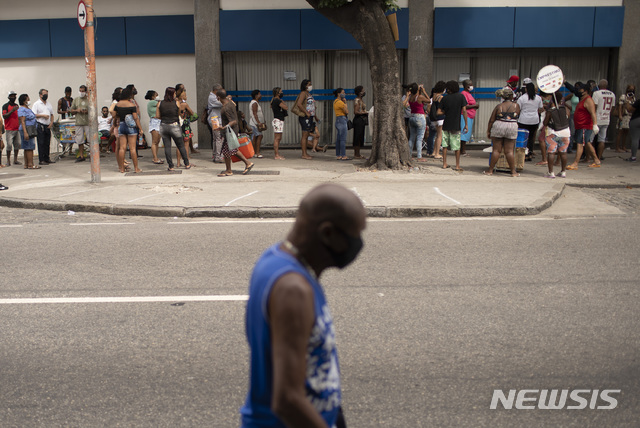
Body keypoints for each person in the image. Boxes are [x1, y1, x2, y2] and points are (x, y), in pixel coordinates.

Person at [240, 183, 365, 428]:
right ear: (327, 233)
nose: (357, 246)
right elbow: (287, 400)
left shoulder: (275, 258)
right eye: (353, 237)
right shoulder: (293, 289)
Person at [216, 88, 254, 177]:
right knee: (228, 150)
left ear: (218, 97)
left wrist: (223, 127)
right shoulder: (230, 102)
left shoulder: (226, 108)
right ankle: (229, 170)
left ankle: (247, 163)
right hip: (231, 130)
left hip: (230, 131)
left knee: (232, 149)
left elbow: (233, 121)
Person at [484, 87, 521, 177]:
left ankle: (490, 170)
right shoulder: (516, 106)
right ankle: (513, 172)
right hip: (512, 126)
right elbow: (517, 116)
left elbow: (491, 120)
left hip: (499, 126)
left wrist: (488, 131)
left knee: (496, 150)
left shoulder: (499, 106)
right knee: (509, 151)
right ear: (512, 96)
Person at [156, 87, 191, 171]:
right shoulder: (176, 103)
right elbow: (179, 113)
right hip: (174, 125)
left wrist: (164, 118)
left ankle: (171, 166)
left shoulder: (160, 103)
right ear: (172, 94)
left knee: (167, 147)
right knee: (180, 145)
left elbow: (157, 116)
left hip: (164, 126)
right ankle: (186, 163)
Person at [567, 82, 601, 169]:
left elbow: (593, 113)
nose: (578, 90)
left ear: (585, 91)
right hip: (580, 125)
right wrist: (565, 82)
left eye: (580, 89)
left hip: (584, 126)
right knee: (587, 143)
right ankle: (596, 160)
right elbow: (573, 89)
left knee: (580, 143)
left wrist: (595, 125)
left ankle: (575, 163)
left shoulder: (588, 100)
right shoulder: (581, 98)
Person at [437, 80, 467, 171]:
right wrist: (466, 124)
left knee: (445, 145)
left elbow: (438, 112)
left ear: (449, 89)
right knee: (456, 146)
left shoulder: (445, 98)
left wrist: (446, 111)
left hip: (446, 124)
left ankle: (444, 163)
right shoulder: (461, 97)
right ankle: (457, 165)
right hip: (456, 124)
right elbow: (464, 111)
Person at [113, 86, 143, 173]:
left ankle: (121, 168)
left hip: (121, 126)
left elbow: (115, 116)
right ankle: (136, 168)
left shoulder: (117, 105)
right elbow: (135, 118)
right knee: (132, 148)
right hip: (131, 128)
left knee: (122, 148)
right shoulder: (132, 105)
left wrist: (115, 124)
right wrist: (140, 128)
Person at [542, 92, 571, 178]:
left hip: (553, 133)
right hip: (565, 133)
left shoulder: (550, 111)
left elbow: (545, 123)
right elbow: (567, 118)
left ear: (552, 100)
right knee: (563, 153)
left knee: (551, 153)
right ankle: (563, 172)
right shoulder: (565, 109)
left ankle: (551, 173)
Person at [517, 82, 543, 162]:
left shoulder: (522, 98)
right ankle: (530, 154)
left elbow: (518, 109)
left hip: (523, 120)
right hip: (534, 121)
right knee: (531, 138)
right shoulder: (538, 98)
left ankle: (523, 154)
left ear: (526, 89)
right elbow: (541, 109)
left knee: (523, 138)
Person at [403, 83, 430, 162]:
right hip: (420, 117)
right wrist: (424, 92)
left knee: (411, 138)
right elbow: (428, 100)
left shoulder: (410, 97)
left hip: (412, 117)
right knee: (419, 138)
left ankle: (409, 155)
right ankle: (419, 156)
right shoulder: (420, 97)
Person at [591, 79, 616, 160]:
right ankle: (599, 157)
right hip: (606, 119)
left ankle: (589, 157)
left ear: (599, 86)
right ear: (607, 86)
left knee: (590, 140)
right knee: (602, 139)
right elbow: (612, 108)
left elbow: (594, 107)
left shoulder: (596, 93)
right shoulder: (612, 94)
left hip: (596, 119)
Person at [31, 88, 55, 165]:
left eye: (47, 94)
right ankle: (41, 159)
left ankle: (47, 158)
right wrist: (42, 115)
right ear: (40, 95)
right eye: (44, 94)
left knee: (47, 143)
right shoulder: (36, 104)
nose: (46, 95)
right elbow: (33, 115)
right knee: (41, 142)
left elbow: (52, 114)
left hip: (47, 125)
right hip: (40, 125)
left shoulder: (48, 104)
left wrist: (51, 123)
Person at [17, 94, 39, 169]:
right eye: (28, 99)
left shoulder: (27, 109)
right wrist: (25, 132)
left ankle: (27, 164)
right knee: (29, 147)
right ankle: (30, 164)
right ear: (24, 101)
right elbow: (22, 121)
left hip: (30, 129)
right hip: (27, 129)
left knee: (27, 147)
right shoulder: (22, 109)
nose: (29, 101)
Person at [69, 84, 90, 162]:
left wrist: (87, 111)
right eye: (80, 91)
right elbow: (71, 110)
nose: (81, 92)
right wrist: (77, 110)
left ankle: (92, 155)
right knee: (79, 140)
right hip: (79, 122)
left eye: (83, 91)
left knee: (90, 139)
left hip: (88, 122)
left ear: (86, 91)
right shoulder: (76, 99)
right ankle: (81, 156)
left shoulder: (89, 99)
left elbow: (93, 110)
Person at [295, 79, 315, 160]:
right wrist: (306, 112)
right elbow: (299, 104)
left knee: (307, 135)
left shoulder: (308, 94)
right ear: (305, 86)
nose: (310, 86)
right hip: (305, 117)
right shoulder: (303, 93)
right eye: (309, 84)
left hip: (310, 116)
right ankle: (304, 153)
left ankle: (306, 152)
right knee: (304, 135)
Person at [2, 91, 22, 166]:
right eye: (12, 96)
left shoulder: (16, 105)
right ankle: (8, 160)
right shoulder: (5, 106)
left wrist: (19, 124)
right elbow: (4, 116)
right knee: (9, 145)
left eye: (14, 96)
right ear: (9, 97)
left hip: (16, 128)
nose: (14, 97)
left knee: (18, 144)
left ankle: (15, 159)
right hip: (9, 129)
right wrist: (12, 111)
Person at [460, 79, 478, 156]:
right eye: (470, 85)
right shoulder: (464, 93)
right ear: (466, 86)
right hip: (465, 116)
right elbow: (464, 106)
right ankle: (462, 151)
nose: (471, 86)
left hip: (470, 116)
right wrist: (475, 106)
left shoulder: (468, 93)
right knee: (464, 133)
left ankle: (463, 150)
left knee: (467, 133)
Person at [144, 90, 163, 164]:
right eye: (156, 95)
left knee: (157, 141)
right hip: (155, 122)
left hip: (159, 121)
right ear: (152, 97)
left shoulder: (156, 102)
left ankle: (156, 157)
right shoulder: (152, 102)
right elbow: (161, 104)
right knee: (154, 141)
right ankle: (155, 158)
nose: (158, 96)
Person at [429, 81, 446, 159]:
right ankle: (437, 153)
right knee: (440, 136)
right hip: (440, 118)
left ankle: (433, 152)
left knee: (436, 136)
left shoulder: (434, 96)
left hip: (434, 118)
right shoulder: (441, 97)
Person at [207, 83, 224, 162]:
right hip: (215, 119)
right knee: (219, 138)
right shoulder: (212, 97)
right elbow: (221, 103)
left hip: (215, 118)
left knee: (215, 138)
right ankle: (218, 156)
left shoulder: (214, 97)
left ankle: (215, 155)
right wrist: (226, 99)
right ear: (216, 90)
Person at [616, 85, 635, 153]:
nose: (631, 91)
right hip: (623, 115)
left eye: (632, 90)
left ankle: (624, 146)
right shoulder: (623, 96)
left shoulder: (633, 97)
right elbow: (620, 106)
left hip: (629, 116)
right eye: (630, 89)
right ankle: (617, 147)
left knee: (626, 132)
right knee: (620, 132)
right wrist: (620, 115)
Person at [271, 87, 287, 160]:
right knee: (277, 138)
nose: (282, 93)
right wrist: (283, 102)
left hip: (279, 120)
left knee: (278, 137)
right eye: (281, 91)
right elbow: (285, 107)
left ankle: (277, 153)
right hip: (278, 120)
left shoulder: (275, 100)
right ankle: (276, 155)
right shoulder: (277, 100)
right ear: (278, 93)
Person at [333, 88, 349, 161]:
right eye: (343, 92)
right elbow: (346, 111)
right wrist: (345, 103)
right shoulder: (340, 102)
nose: (344, 94)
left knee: (339, 138)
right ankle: (343, 155)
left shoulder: (335, 102)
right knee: (342, 138)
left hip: (338, 119)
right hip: (342, 120)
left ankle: (338, 155)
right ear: (339, 94)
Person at [249, 89, 266, 158]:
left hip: (255, 123)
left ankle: (254, 152)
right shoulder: (254, 103)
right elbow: (254, 114)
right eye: (259, 94)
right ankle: (257, 152)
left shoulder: (255, 103)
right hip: (255, 123)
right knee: (259, 136)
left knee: (255, 137)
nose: (260, 95)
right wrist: (258, 123)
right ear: (256, 96)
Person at [624, 92, 640, 162]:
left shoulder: (638, 101)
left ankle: (633, 157)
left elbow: (630, 110)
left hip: (636, 119)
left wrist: (628, 102)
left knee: (635, 139)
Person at [352, 85, 368, 160]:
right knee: (357, 137)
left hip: (362, 120)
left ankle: (358, 153)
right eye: (362, 90)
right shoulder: (357, 100)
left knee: (360, 137)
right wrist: (364, 113)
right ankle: (356, 154)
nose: (364, 92)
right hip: (358, 120)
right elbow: (356, 111)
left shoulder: (361, 100)